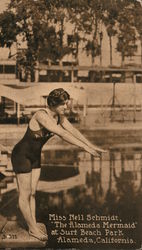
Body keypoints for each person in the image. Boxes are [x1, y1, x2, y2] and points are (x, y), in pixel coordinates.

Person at [11, 88, 105, 241]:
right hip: (21, 156)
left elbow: (72, 130)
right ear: (54, 103)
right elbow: (63, 134)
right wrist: (85, 148)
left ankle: (32, 223)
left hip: (35, 156)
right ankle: (32, 228)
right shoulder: (41, 115)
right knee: (25, 193)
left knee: (33, 193)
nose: (66, 107)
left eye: (66, 104)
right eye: (63, 104)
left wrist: (92, 146)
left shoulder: (59, 117)